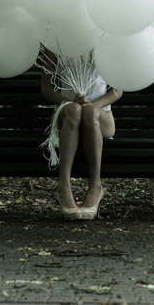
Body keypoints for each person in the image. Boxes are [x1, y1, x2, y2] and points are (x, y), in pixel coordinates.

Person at [40, 49, 122, 220]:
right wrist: (68, 102)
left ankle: (96, 187)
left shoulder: (107, 42)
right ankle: (64, 186)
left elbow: (117, 90)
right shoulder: (57, 43)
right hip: (67, 112)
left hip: (100, 114)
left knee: (89, 112)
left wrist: (91, 105)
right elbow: (46, 89)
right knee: (74, 110)